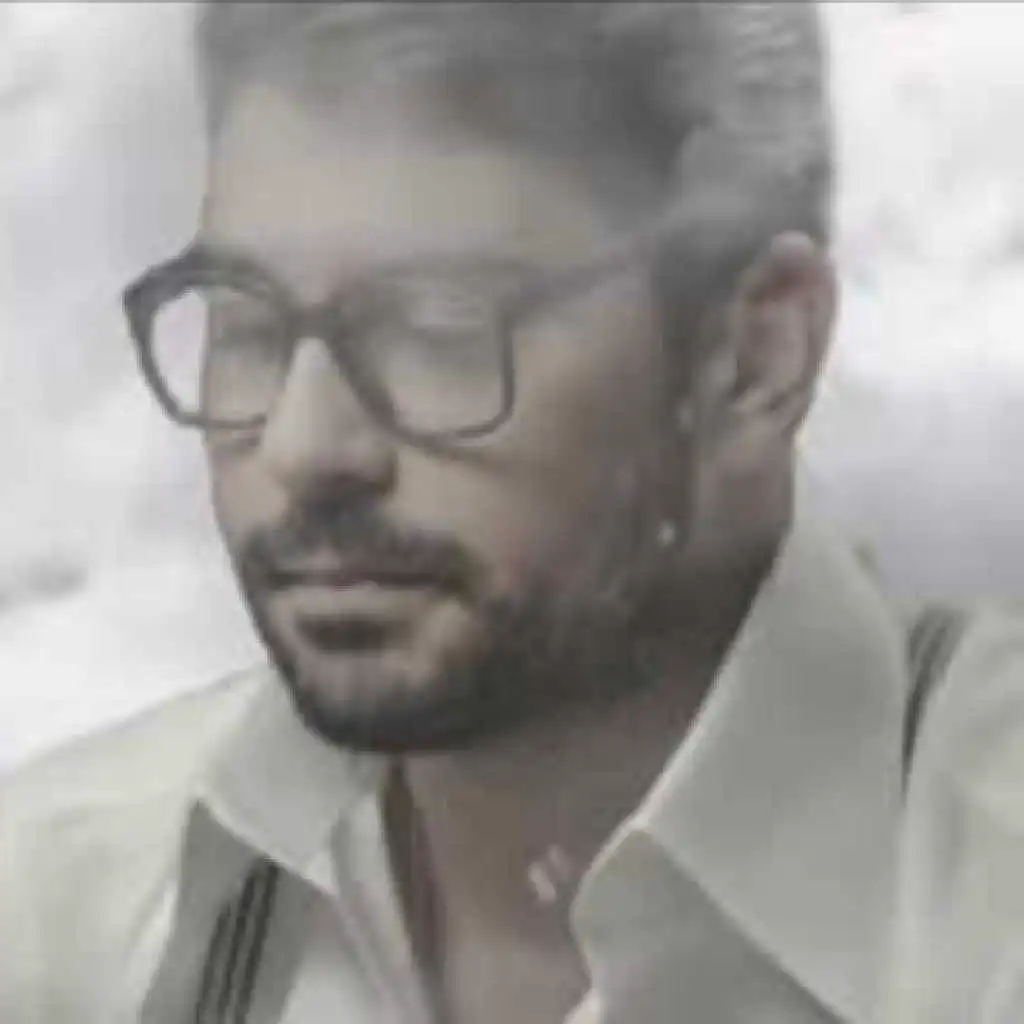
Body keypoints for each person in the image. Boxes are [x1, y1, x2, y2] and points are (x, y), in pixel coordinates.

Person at [3, 3, 1024, 1022]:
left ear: (752, 357)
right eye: (246, 323)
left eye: (435, 325)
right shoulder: (59, 915)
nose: (303, 447)